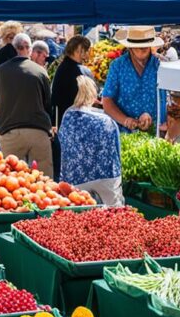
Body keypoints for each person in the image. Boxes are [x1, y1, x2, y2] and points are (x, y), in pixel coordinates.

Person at [0, 33, 54, 177]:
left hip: (10, 132)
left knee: (9, 182)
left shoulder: (0, 71)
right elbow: (48, 104)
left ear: (13, 48)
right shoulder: (40, 71)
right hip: (38, 131)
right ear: (29, 50)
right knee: (44, 182)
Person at [58, 76, 124, 206]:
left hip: (75, 177)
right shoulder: (106, 121)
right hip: (107, 176)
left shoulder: (67, 117)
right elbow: (117, 153)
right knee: (116, 215)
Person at [102, 26, 166, 134]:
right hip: (125, 133)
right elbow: (107, 101)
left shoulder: (161, 65)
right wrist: (125, 120)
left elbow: (171, 100)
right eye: (139, 46)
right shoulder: (118, 65)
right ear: (130, 47)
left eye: (146, 45)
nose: (143, 48)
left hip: (157, 133)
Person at [51, 35, 93, 127]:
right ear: (79, 51)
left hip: (62, 119)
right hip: (78, 120)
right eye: (86, 50)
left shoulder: (61, 68)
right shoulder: (81, 71)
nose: (88, 53)